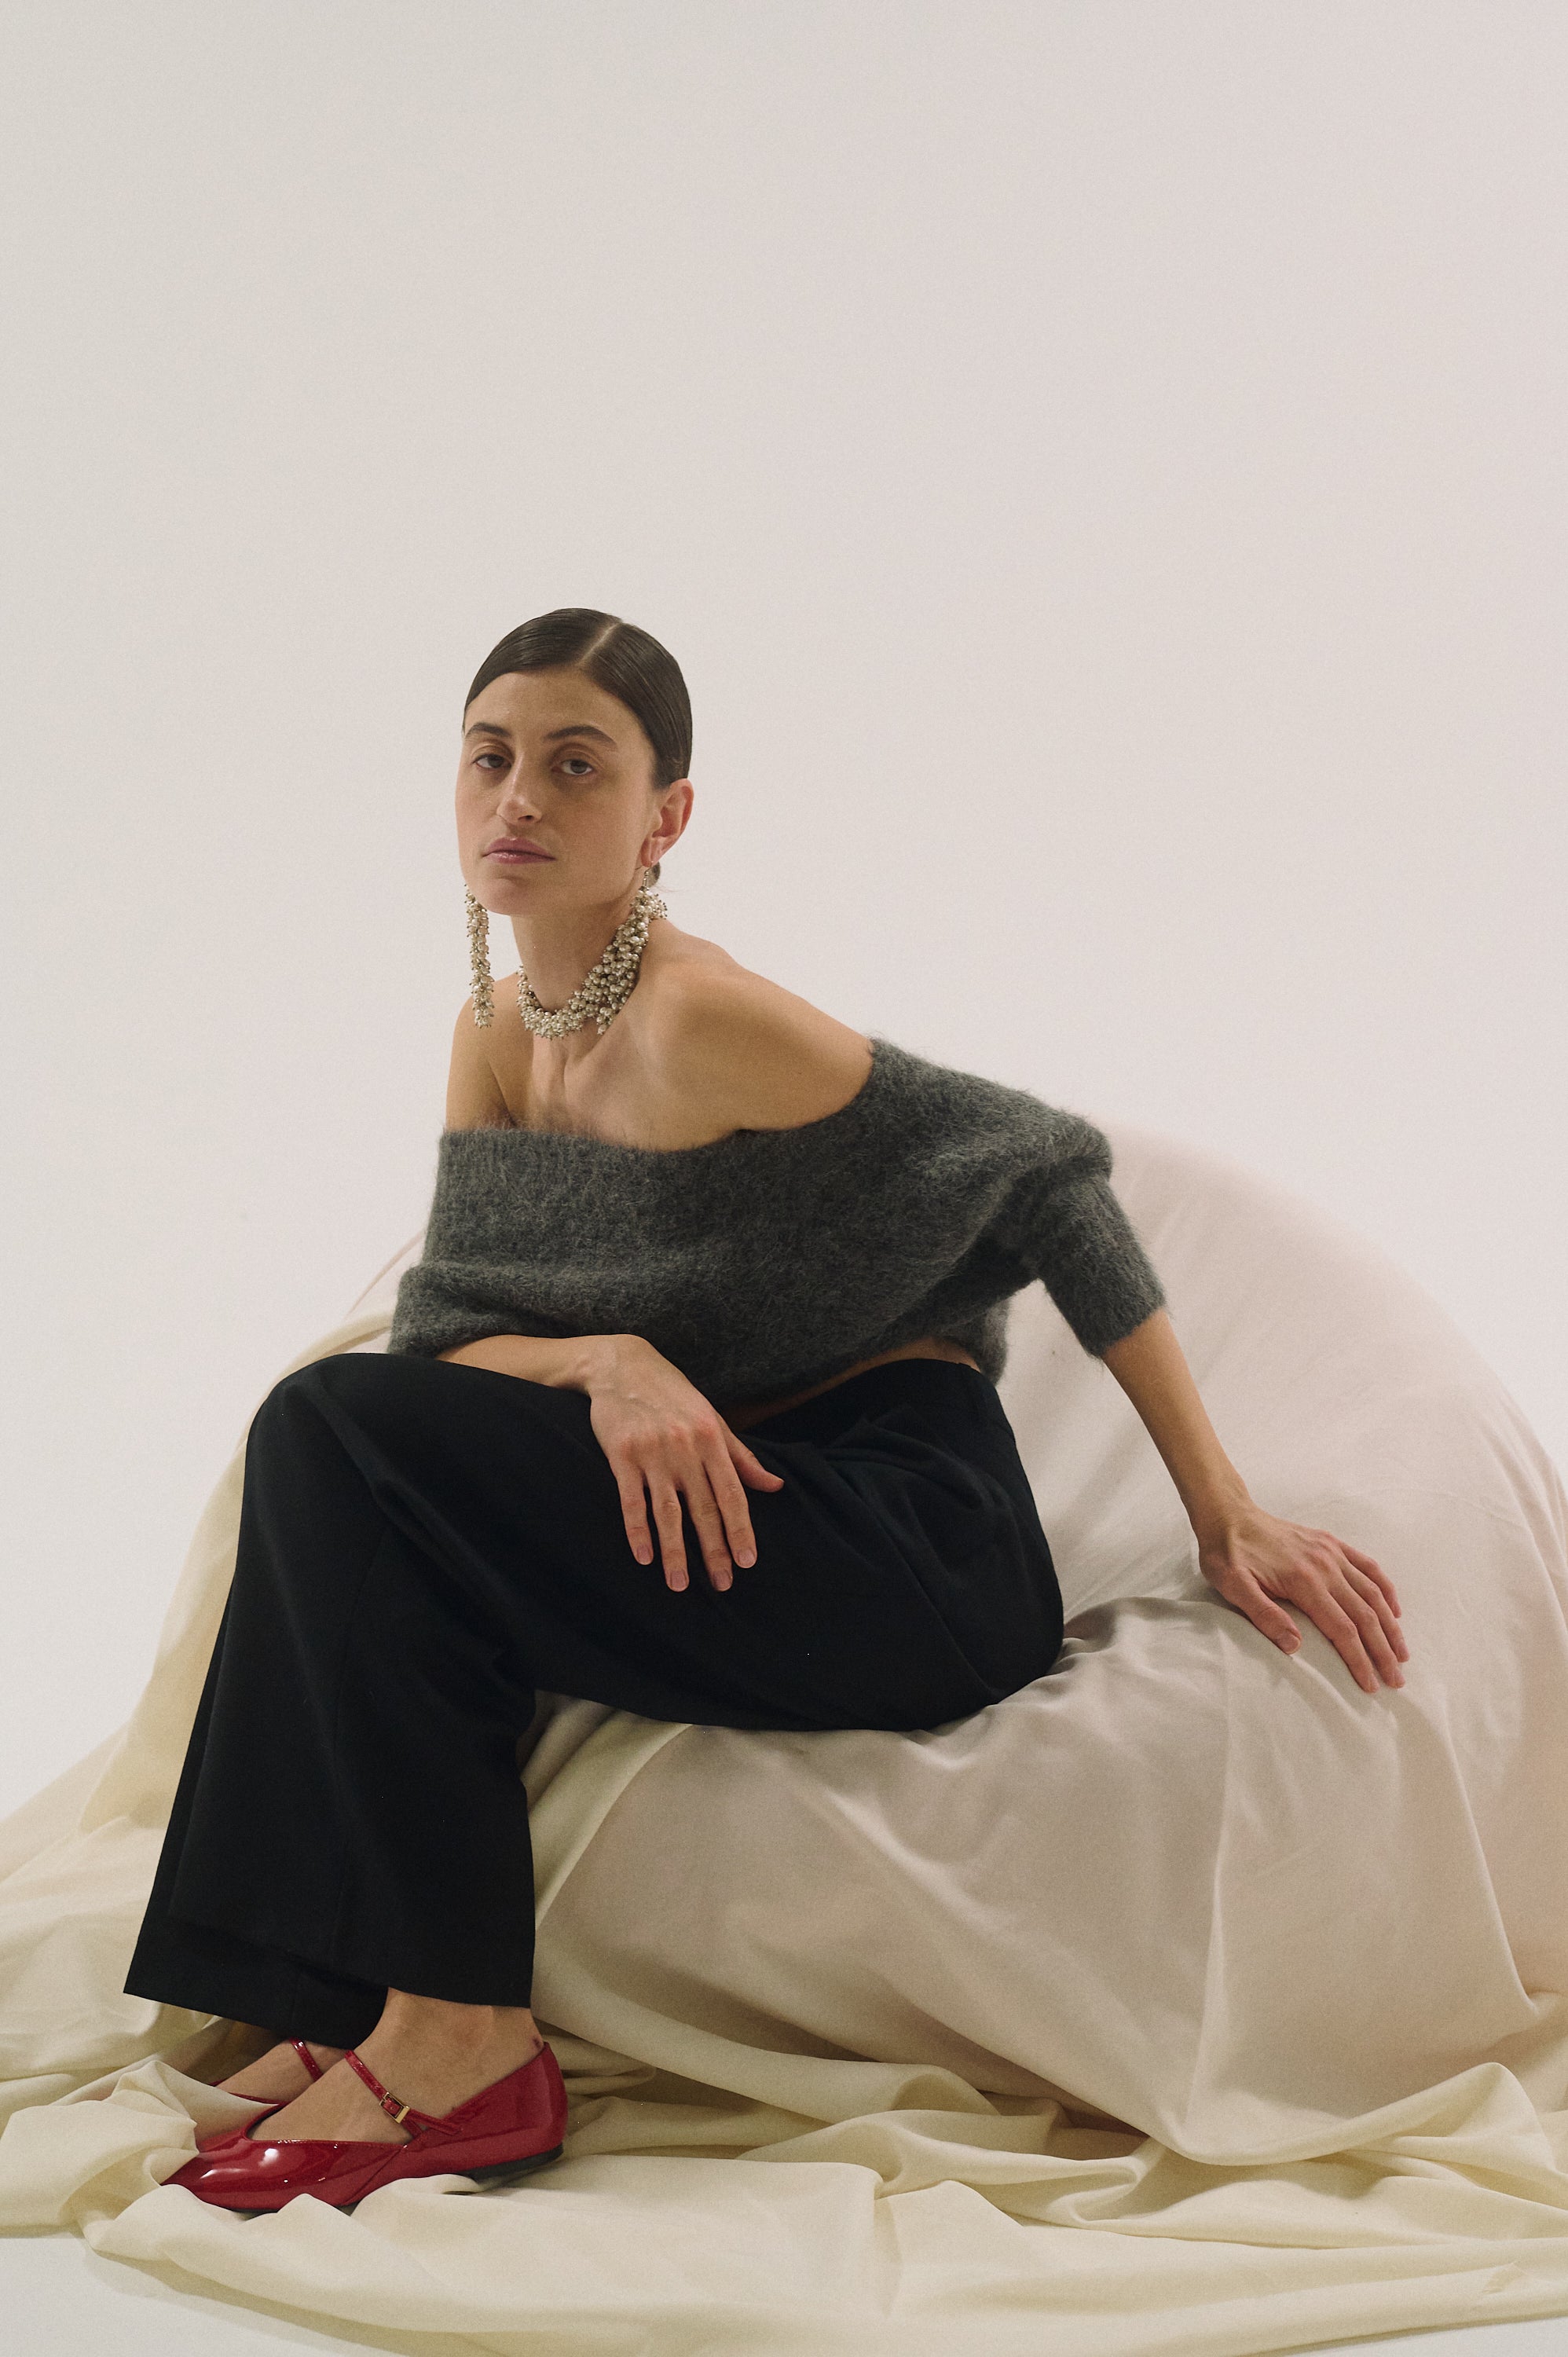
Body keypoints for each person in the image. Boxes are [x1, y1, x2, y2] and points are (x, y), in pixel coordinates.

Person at [123, 607, 1409, 2211]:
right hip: (736, 1491)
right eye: (489, 757)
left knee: (332, 1440)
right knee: (331, 1436)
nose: (517, 798)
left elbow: (1048, 1174)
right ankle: (328, 1998)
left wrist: (1222, 1512)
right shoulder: (495, 1036)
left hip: (898, 1545)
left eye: (574, 765)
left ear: (664, 818)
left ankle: (463, 2041)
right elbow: (450, 1334)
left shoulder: (698, 1019)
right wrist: (603, 1359)